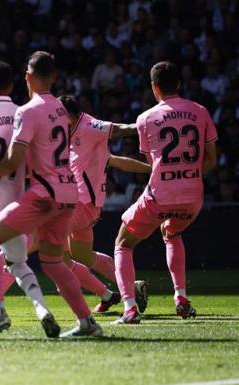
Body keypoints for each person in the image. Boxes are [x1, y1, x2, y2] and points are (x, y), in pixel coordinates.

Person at [0, 51, 102, 339]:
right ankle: (87, 322)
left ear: (27, 77)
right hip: (69, 192)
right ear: (53, 77)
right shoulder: (61, 110)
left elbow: (14, 162)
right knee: (53, 262)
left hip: (45, 194)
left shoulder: (26, 112)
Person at [113, 61, 218, 324]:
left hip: (160, 194)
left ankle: (129, 309)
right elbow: (212, 160)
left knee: (123, 244)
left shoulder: (145, 118)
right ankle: (181, 297)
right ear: (179, 84)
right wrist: (188, 176)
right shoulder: (201, 111)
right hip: (193, 197)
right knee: (172, 232)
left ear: (154, 87)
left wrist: (172, 179)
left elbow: (153, 164)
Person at [58, 95, 152, 313]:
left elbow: (120, 129)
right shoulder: (83, 142)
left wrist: (148, 122)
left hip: (79, 204)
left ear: (73, 114)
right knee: (82, 256)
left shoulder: (89, 125)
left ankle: (104, 294)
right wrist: (151, 169)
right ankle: (126, 288)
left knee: (54, 254)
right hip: (85, 207)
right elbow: (118, 161)